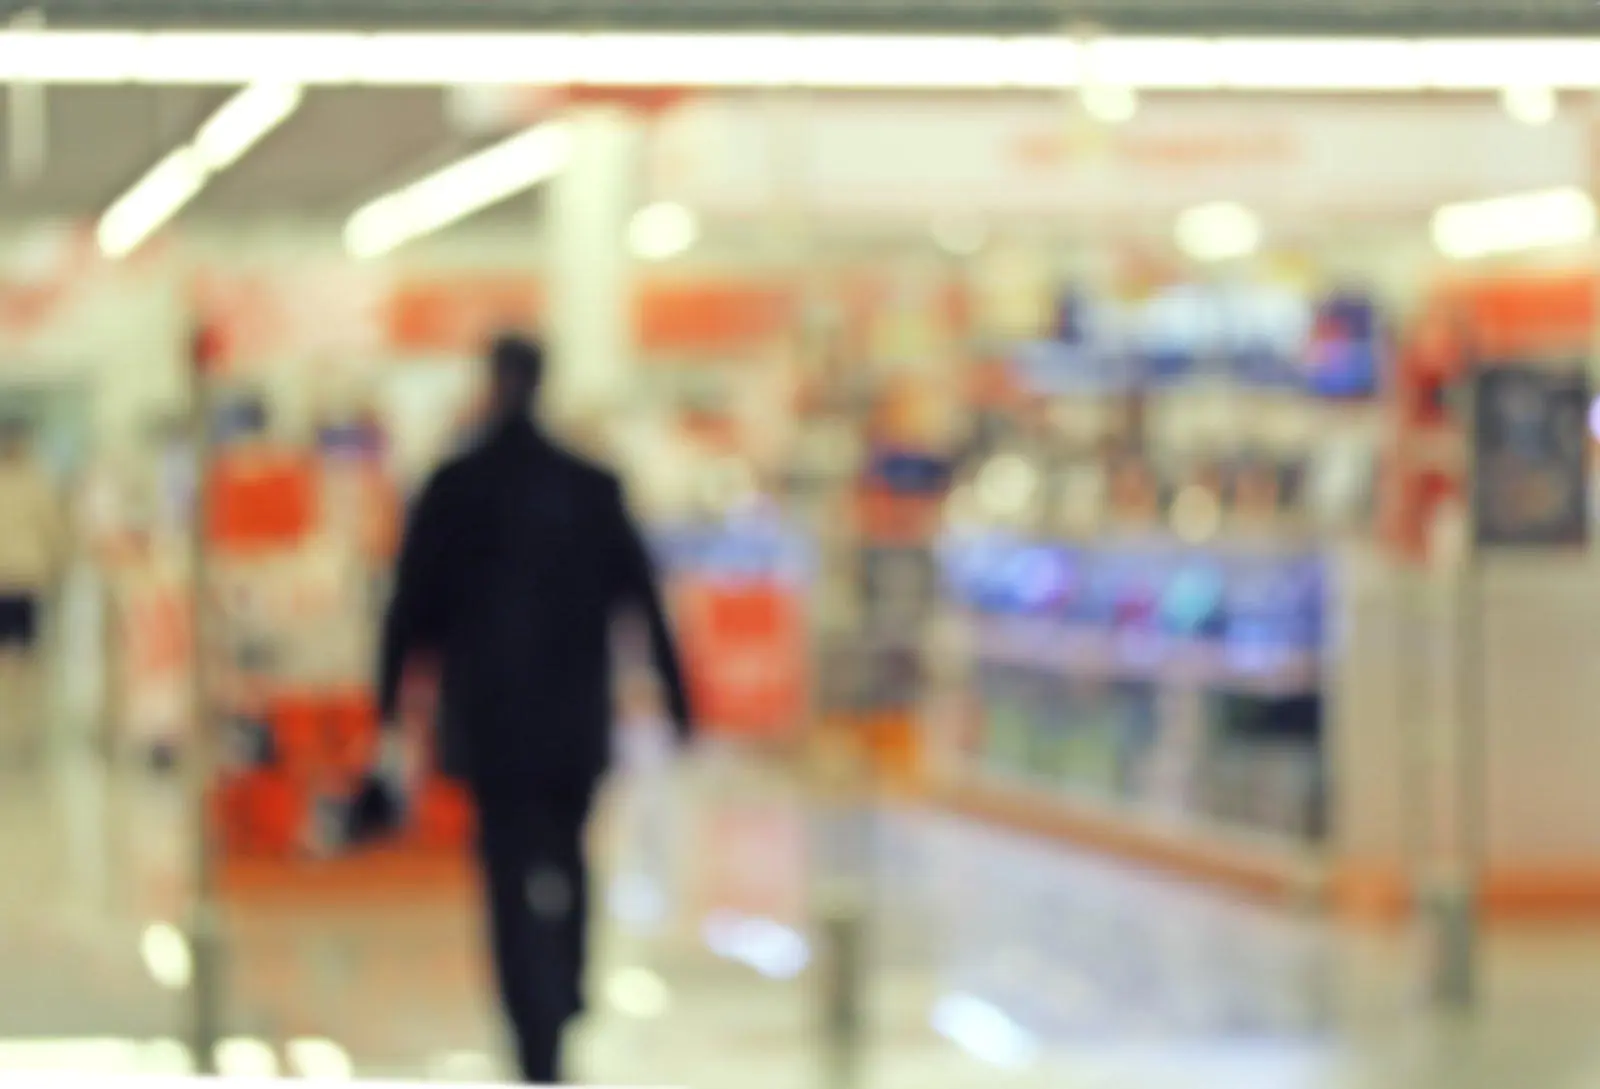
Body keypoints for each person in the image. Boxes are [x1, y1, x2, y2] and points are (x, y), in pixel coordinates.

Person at [376, 333, 692, 1084]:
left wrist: (387, 702)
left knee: (504, 866)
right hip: (572, 719)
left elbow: (408, 608)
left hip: (488, 723)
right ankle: (568, 987)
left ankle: (531, 1020)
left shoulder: (454, 486)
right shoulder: (590, 485)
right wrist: (679, 698)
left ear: (493, 380)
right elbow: (642, 598)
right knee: (571, 851)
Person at [0, 417, 65, 759]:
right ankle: (17, 716)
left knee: (16, 648)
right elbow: (53, 529)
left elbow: (52, 529)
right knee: (22, 649)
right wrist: (57, 564)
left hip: (17, 575)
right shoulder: (36, 483)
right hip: (24, 574)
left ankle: (14, 715)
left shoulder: (35, 482)